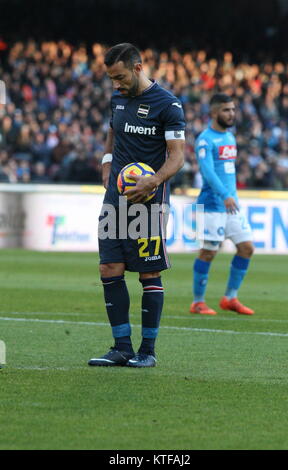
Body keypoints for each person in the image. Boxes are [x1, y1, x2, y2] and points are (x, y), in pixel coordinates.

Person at [88, 43, 185, 368]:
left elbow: (177, 157)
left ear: (138, 67)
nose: (116, 84)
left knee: (149, 272)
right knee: (109, 268)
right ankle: (121, 348)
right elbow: (112, 136)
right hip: (115, 200)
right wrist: (106, 164)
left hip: (149, 201)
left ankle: (148, 351)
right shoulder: (118, 99)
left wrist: (153, 181)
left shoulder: (168, 105)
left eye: (120, 77)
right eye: (112, 79)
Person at [190, 93, 255, 316]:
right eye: (226, 110)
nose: (231, 114)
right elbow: (207, 172)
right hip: (210, 205)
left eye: (233, 110)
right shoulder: (205, 140)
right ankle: (197, 302)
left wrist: (231, 196)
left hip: (231, 205)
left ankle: (230, 298)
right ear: (214, 112)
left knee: (247, 248)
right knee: (209, 252)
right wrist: (225, 194)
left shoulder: (230, 137)